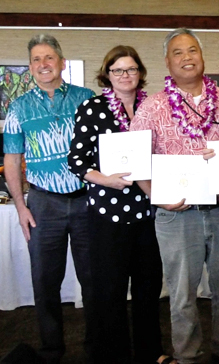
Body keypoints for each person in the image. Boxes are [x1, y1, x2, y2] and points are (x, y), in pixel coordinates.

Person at [130, 28, 219, 364]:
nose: (186, 57)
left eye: (192, 50)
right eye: (178, 52)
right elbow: (136, 161)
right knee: (182, 296)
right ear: (167, 62)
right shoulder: (152, 106)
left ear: (203, 56)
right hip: (176, 214)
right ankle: (188, 356)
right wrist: (156, 197)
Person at [66, 45, 171, 364]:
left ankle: (150, 354)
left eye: (131, 69)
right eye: (118, 70)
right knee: (108, 293)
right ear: (107, 74)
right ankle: (113, 356)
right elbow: (76, 160)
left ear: (140, 73)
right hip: (107, 216)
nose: (125, 76)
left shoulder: (153, 106)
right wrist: (105, 179)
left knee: (148, 291)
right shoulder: (93, 108)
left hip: (148, 213)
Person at [2, 34, 96, 364]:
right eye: (36, 60)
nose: (43, 64)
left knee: (94, 279)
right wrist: (20, 205)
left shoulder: (87, 98)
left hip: (87, 201)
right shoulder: (19, 107)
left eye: (49, 58)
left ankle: (95, 347)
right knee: (45, 281)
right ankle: (52, 350)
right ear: (30, 68)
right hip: (43, 204)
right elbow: (12, 158)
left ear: (62, 62)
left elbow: (105, 148)